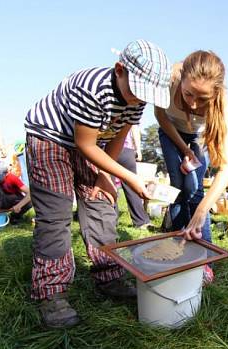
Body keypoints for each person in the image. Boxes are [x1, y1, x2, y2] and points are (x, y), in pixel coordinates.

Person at [23, 39, 170, 328]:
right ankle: (51, 292)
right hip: (50, 139)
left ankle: (109, 275)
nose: (139, 99)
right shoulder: (91, 89)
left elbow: (116, 136)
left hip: (92, 143)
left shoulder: (134, 102)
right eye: (137, 91)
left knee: (103, 205)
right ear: (119, 70)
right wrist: (129, 176)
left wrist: (106, 177)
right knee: (56, 214)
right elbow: (84, 143)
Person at [154, 50, 228, 283]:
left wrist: (200, 214)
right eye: (188, 94)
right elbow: (160, 116)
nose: (193, 104)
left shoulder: (221, 104)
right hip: (171, 132)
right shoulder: (167, 80)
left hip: (198, 136)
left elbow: (226, 167)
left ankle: (204, 258)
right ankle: (176, 247)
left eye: (203, 99)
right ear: (181, 80)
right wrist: (184, 148)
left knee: (197, 192)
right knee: (179, 188)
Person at [115, 125, 153, 228]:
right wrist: (138, 150)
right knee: (132, 186)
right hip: (126, 148)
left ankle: (111, 221)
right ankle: (141, 221)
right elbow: (134, 128)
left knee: (109, 184)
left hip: (106, 147)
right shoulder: (130, 110)